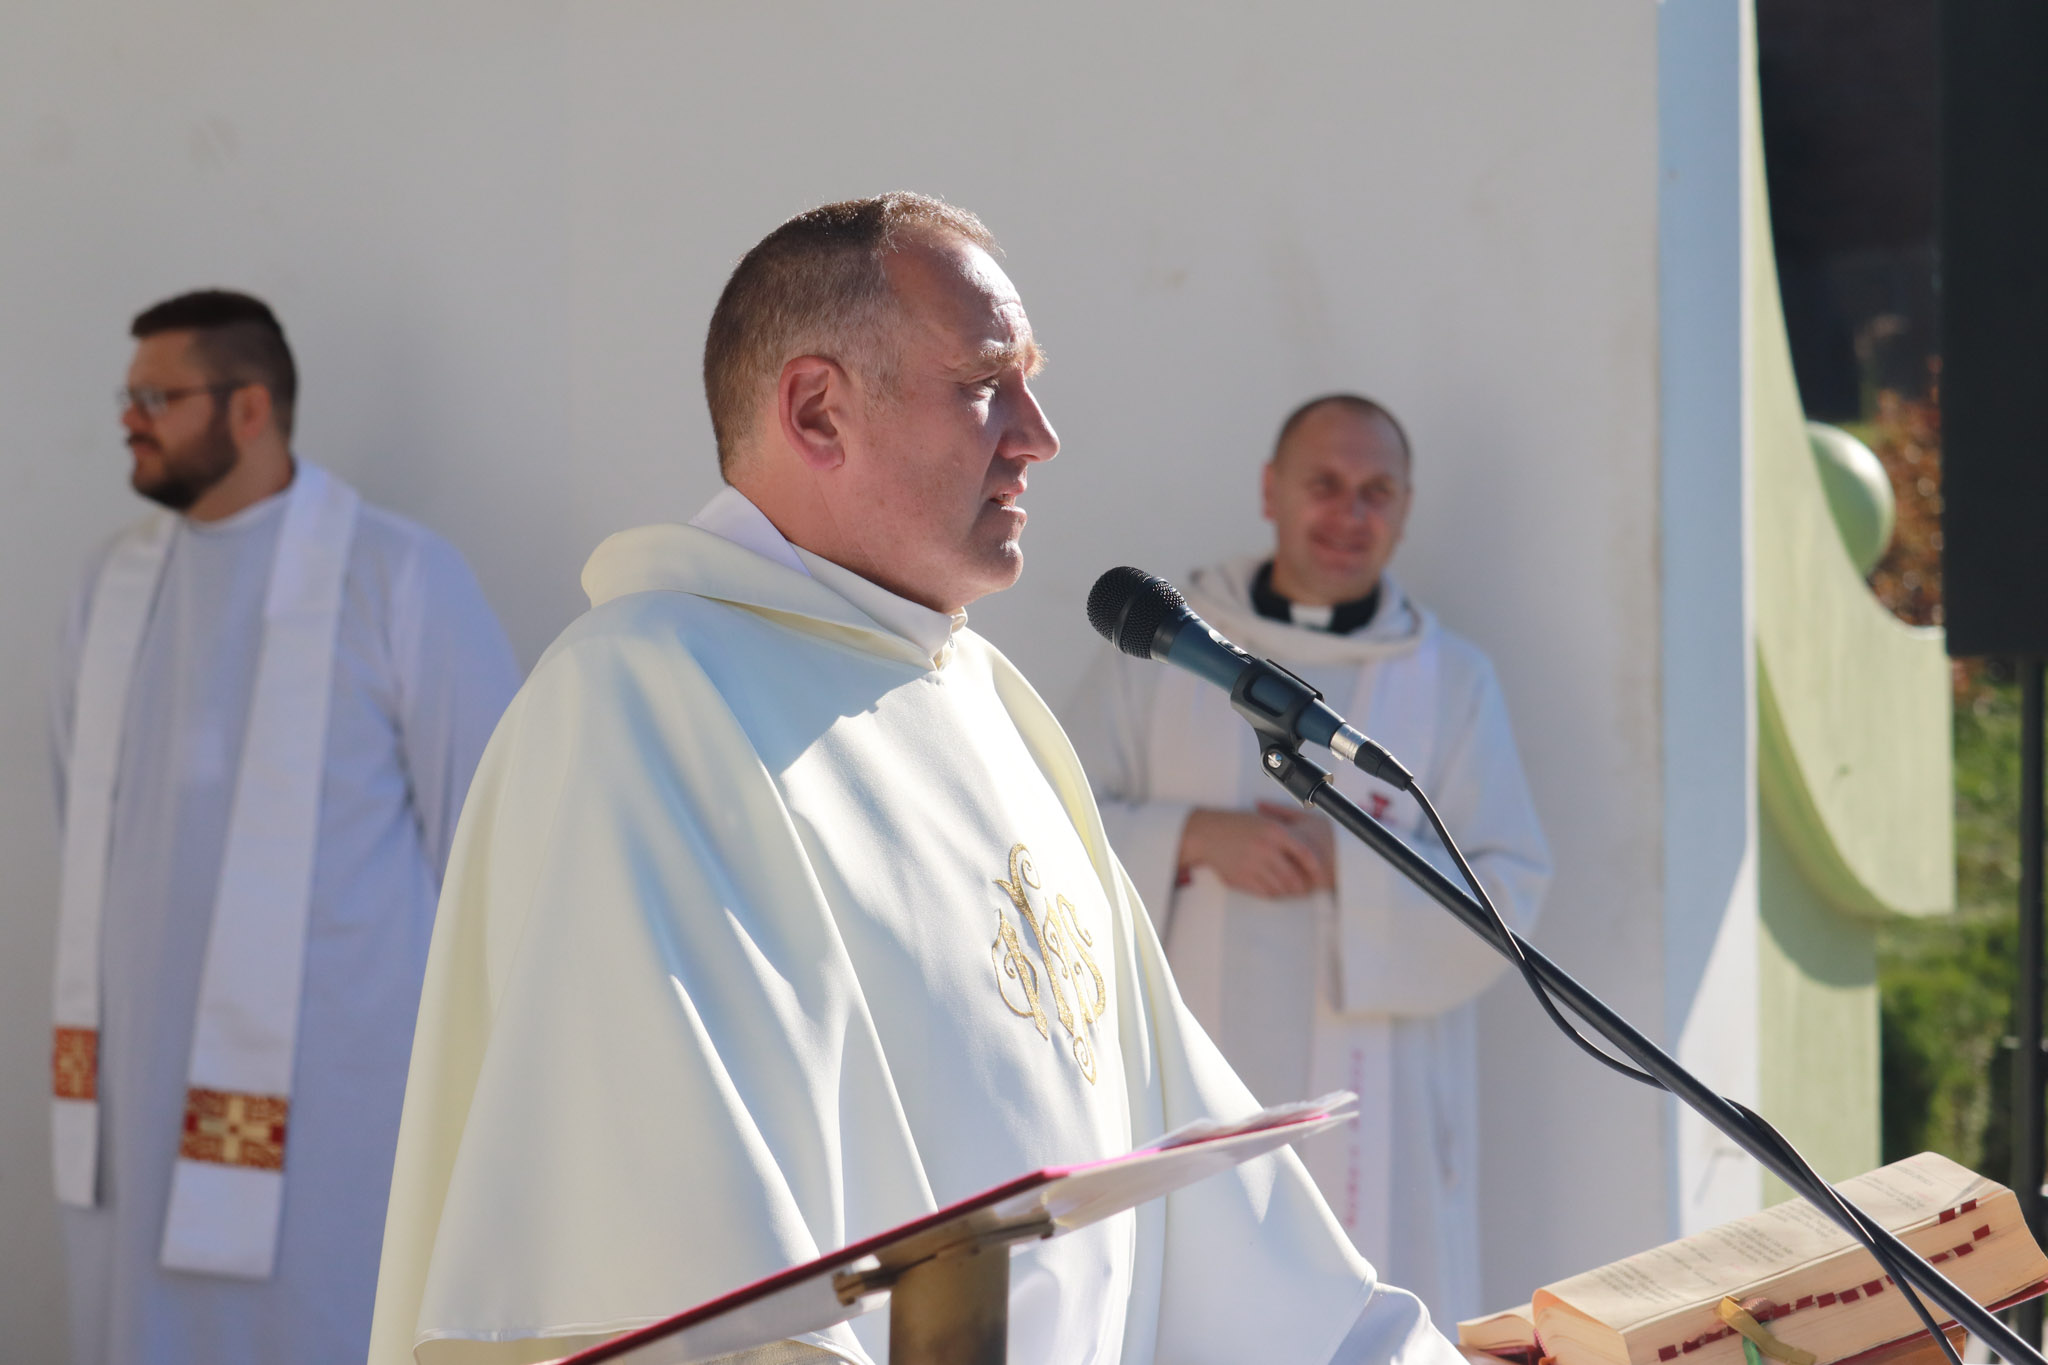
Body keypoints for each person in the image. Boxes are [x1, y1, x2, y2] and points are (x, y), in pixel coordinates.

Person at [367, 196, 1463, 1365]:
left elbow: (1197, 1183)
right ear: (816, 410)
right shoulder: (643, 702)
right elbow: (673, 1259)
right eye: (987, 382)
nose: (1038, 436)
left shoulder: (989, 708)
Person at [49, 290, 521, 1365]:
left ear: (250, 407)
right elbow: (77, 804)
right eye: (129, 396)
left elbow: (489, 835)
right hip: (137, 1094)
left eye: (156, 398)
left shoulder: (397, 576)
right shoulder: (109, 588)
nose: (129, 418)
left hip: (335, 1098)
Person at [1065, 394, 1552, 1325]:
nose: (1349, 513)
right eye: (1324, 484)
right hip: (1184, 1079)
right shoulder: (1162, 652)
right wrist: (1191, 838)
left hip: (1378, 1116)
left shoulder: (1449, 680)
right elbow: (1051, 828)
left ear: (1405, 509)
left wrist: (1352, 858)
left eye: (1377, 492)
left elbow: (1511, 887)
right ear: (1270, 491)